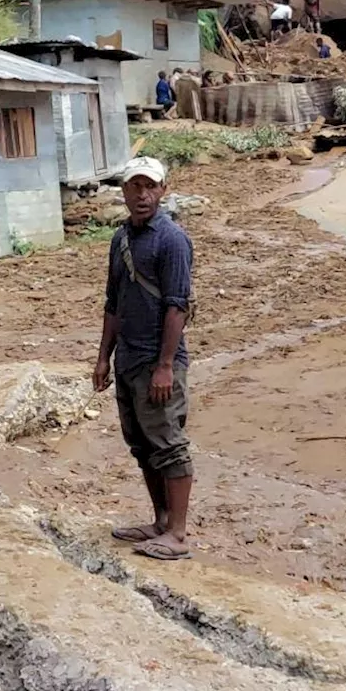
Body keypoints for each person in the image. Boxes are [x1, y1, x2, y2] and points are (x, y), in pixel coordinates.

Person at [94, 156, 196, 561]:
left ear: (163, 190)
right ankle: (159, 521)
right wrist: (103, 358)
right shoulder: (120, 240)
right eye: (134, 186)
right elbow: (113, 303)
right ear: (123, 191)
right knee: (142, 444)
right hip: (129, 361)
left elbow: (177, 306)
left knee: (169, 443)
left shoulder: (171, 240)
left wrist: (165, 366)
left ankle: (178, 533)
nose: (142, 194)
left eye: (150, 186)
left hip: (159, 363)